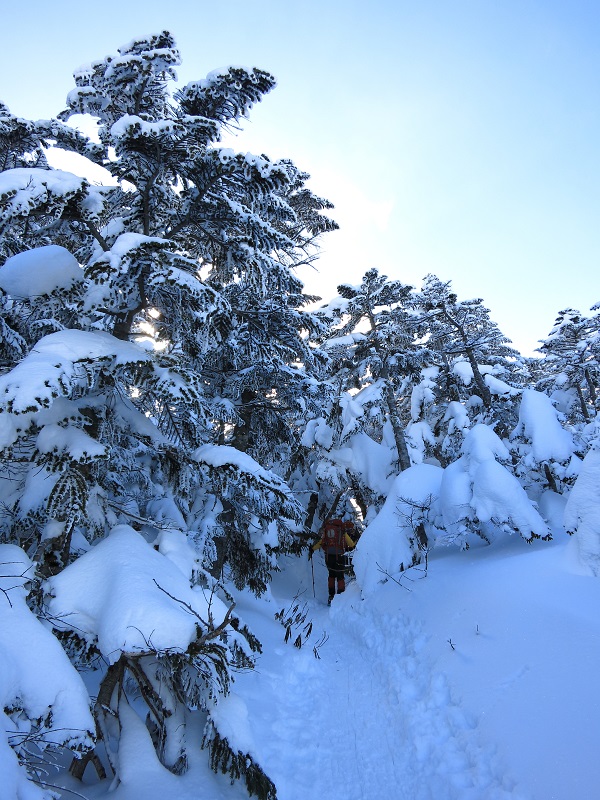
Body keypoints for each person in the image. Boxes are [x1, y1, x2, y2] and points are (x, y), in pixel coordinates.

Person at [309, 518, 356, 605]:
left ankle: (331, 596)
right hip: (339, 557)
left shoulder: (327, 532)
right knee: (340, 577)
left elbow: (321, 542)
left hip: (328, 557)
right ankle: (340, 596)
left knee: (331, 575)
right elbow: (351, 544)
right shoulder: (342, 532)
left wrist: (312, 549)